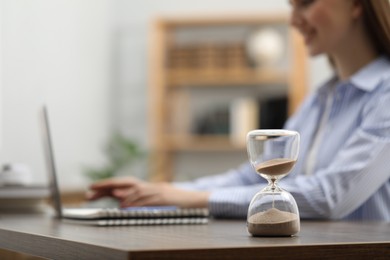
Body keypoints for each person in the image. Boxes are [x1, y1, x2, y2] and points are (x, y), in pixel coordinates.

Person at [88, 0, 390, 221]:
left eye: (305, 4)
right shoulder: (320, 99)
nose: (294, 19)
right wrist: (162, 193)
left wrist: (195, 199)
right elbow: (252, 177)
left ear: (355, 5)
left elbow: (331, 196)